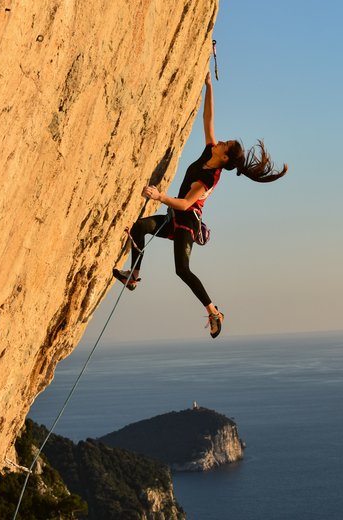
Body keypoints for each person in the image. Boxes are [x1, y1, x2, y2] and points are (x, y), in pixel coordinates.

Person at [113, 69, 287, 338]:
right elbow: (209, 119)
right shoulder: (210, 151)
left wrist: (159, 197)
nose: (221, 141)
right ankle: (133, 277)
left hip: (185, 223)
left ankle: (213, 311)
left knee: (182, 269)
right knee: (139, 227)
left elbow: (184, 204)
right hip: (174, 217)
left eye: (225, 144)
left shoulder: (209, 178)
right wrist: (209, 86)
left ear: (225, 158)